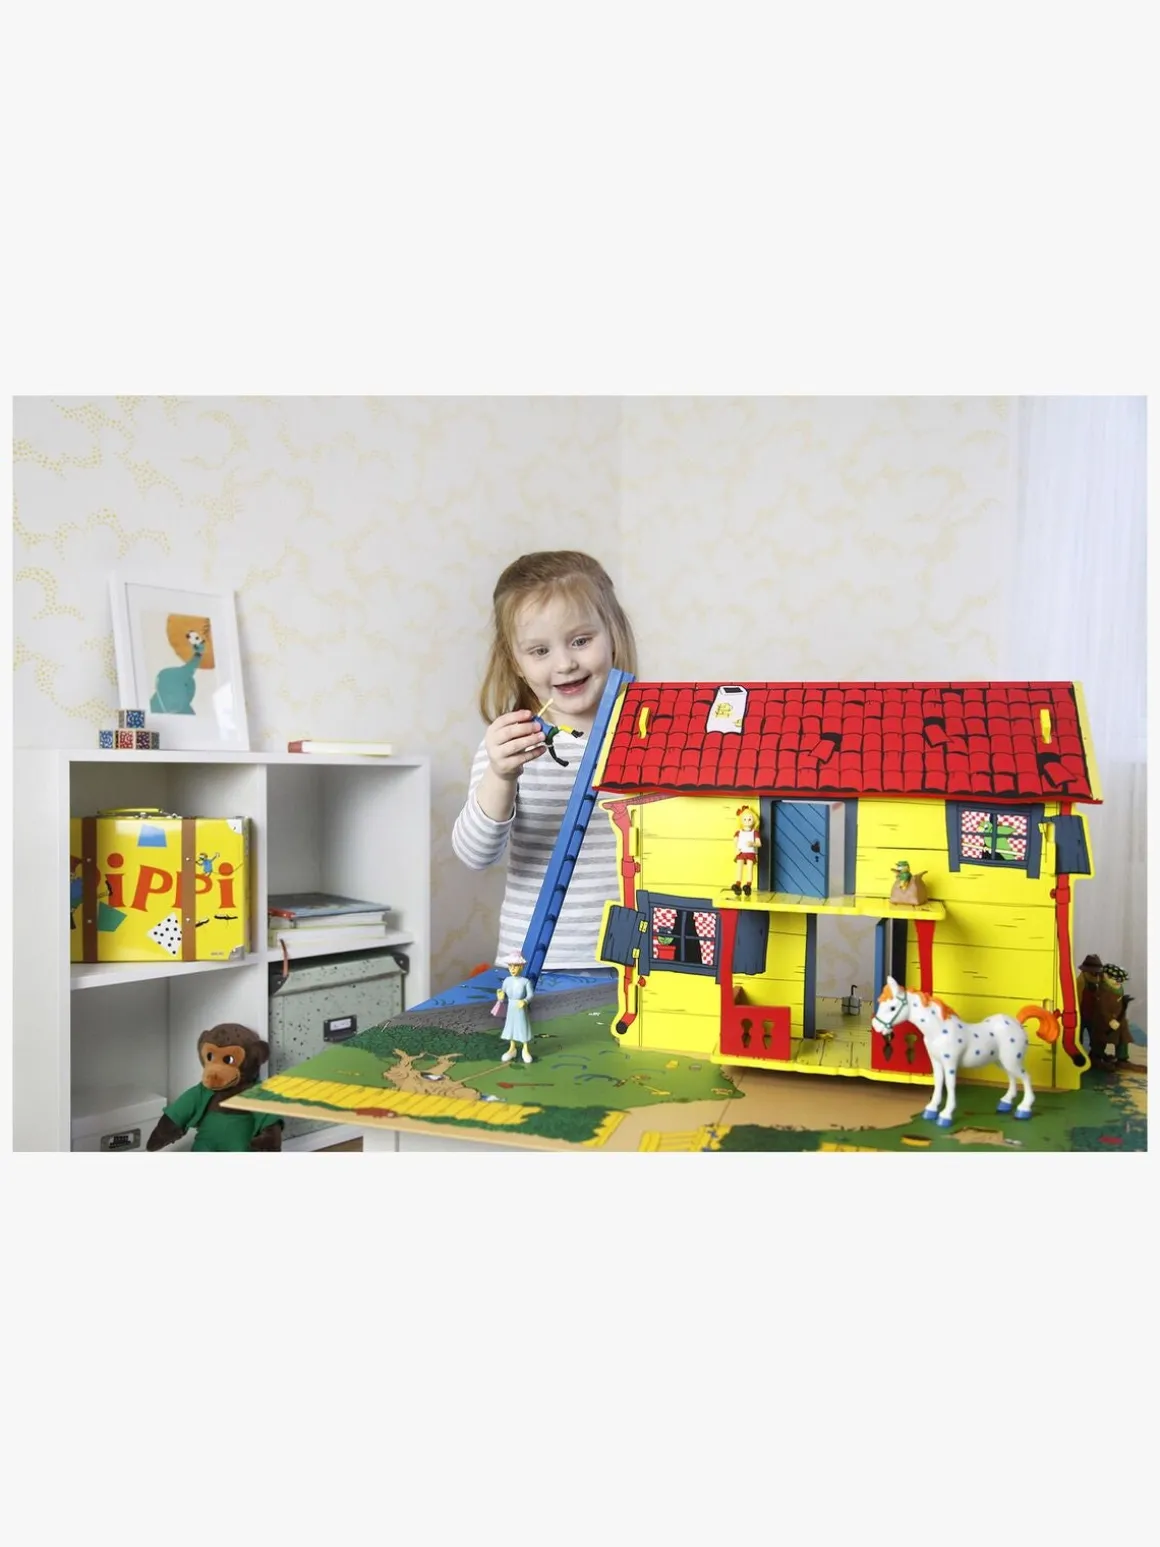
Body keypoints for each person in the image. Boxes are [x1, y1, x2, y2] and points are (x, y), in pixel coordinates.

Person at [452, 550, 638, 971]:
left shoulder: (650, 737)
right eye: (539, 650)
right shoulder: (509, 747)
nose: (565, 663)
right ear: (516, 663)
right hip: (537, 965)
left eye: (581, 641)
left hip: (637, 963)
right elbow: (475, 855)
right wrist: (501, 775)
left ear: (613, 633)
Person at [494, 951, 535, 1063]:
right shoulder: (507, 981)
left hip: (520, 1007)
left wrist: (525, 1001)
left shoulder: (525, 982)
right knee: (510, 1026)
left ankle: (525, 1049)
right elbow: (503, 993)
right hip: (511, 1007)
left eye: (515, 966)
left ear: (521, 967)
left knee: (522, 1026)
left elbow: (530, 995)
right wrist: (500, 996)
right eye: (510, 966)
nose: (512, 969)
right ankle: (512, 1048)